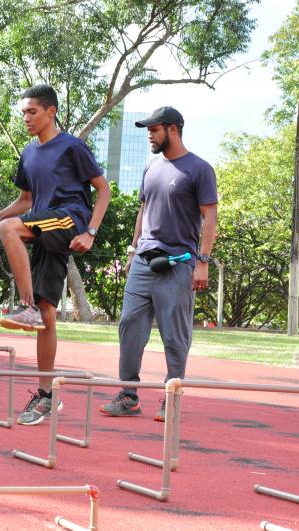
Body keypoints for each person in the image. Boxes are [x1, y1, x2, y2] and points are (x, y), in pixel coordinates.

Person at [0, 85, 110, 426]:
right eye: (24, 112)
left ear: (50, 111)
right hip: (43, 227)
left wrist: (91, 232)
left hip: (69, 217)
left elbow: (103, 189)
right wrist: (0, 213)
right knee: (49, 315)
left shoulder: (72, 147)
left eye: (32, 112)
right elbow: (26, 200)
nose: (26, 118)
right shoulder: (28, 153)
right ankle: (46, 396)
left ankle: (24, 307)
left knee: (10, 230)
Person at [99, 106, 217, 422]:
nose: (149, 134)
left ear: (173, 130)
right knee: (129, 326)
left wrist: (202, 261)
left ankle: (172, 397)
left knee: (174, 335)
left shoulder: (199, 169)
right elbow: (143, 211)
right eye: (148, 130)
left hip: (178, 263)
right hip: (143, 261)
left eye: (154, 129)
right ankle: (128, 396)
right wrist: (131, 251)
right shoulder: (151, 167)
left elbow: (210, 218)